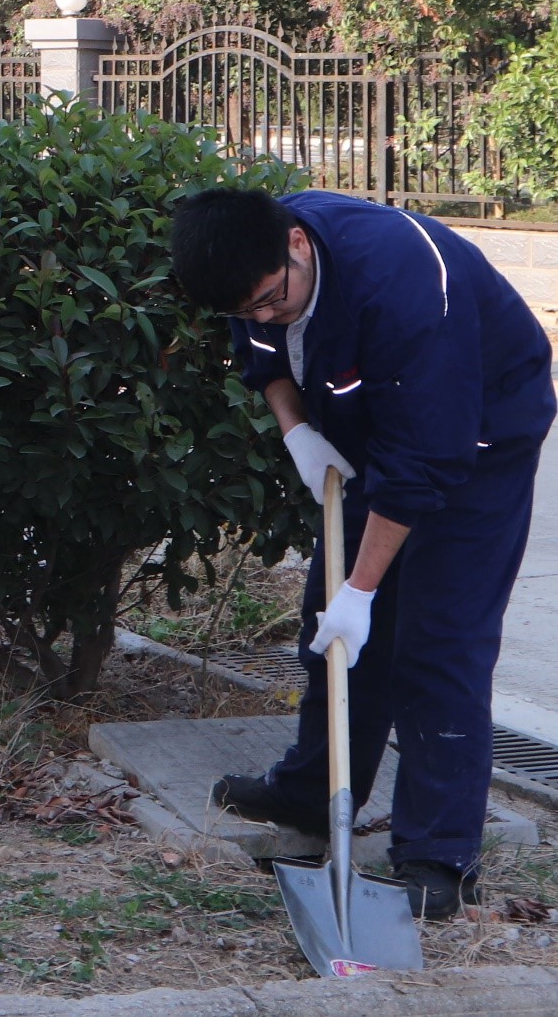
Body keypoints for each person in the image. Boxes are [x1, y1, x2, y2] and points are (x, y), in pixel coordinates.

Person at [170, 187, 554, 919]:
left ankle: (438, 855)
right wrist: (297, 433)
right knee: (332, 634)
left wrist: (363, 589)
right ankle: (312, 794)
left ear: (298, 245)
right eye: (244, 309)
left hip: (478, 440)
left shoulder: (401, 284)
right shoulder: (255, 267)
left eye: (269, 300)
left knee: (438, 643)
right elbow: (263, 355)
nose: (261, 316)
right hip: (376, 433)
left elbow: (425, 461)